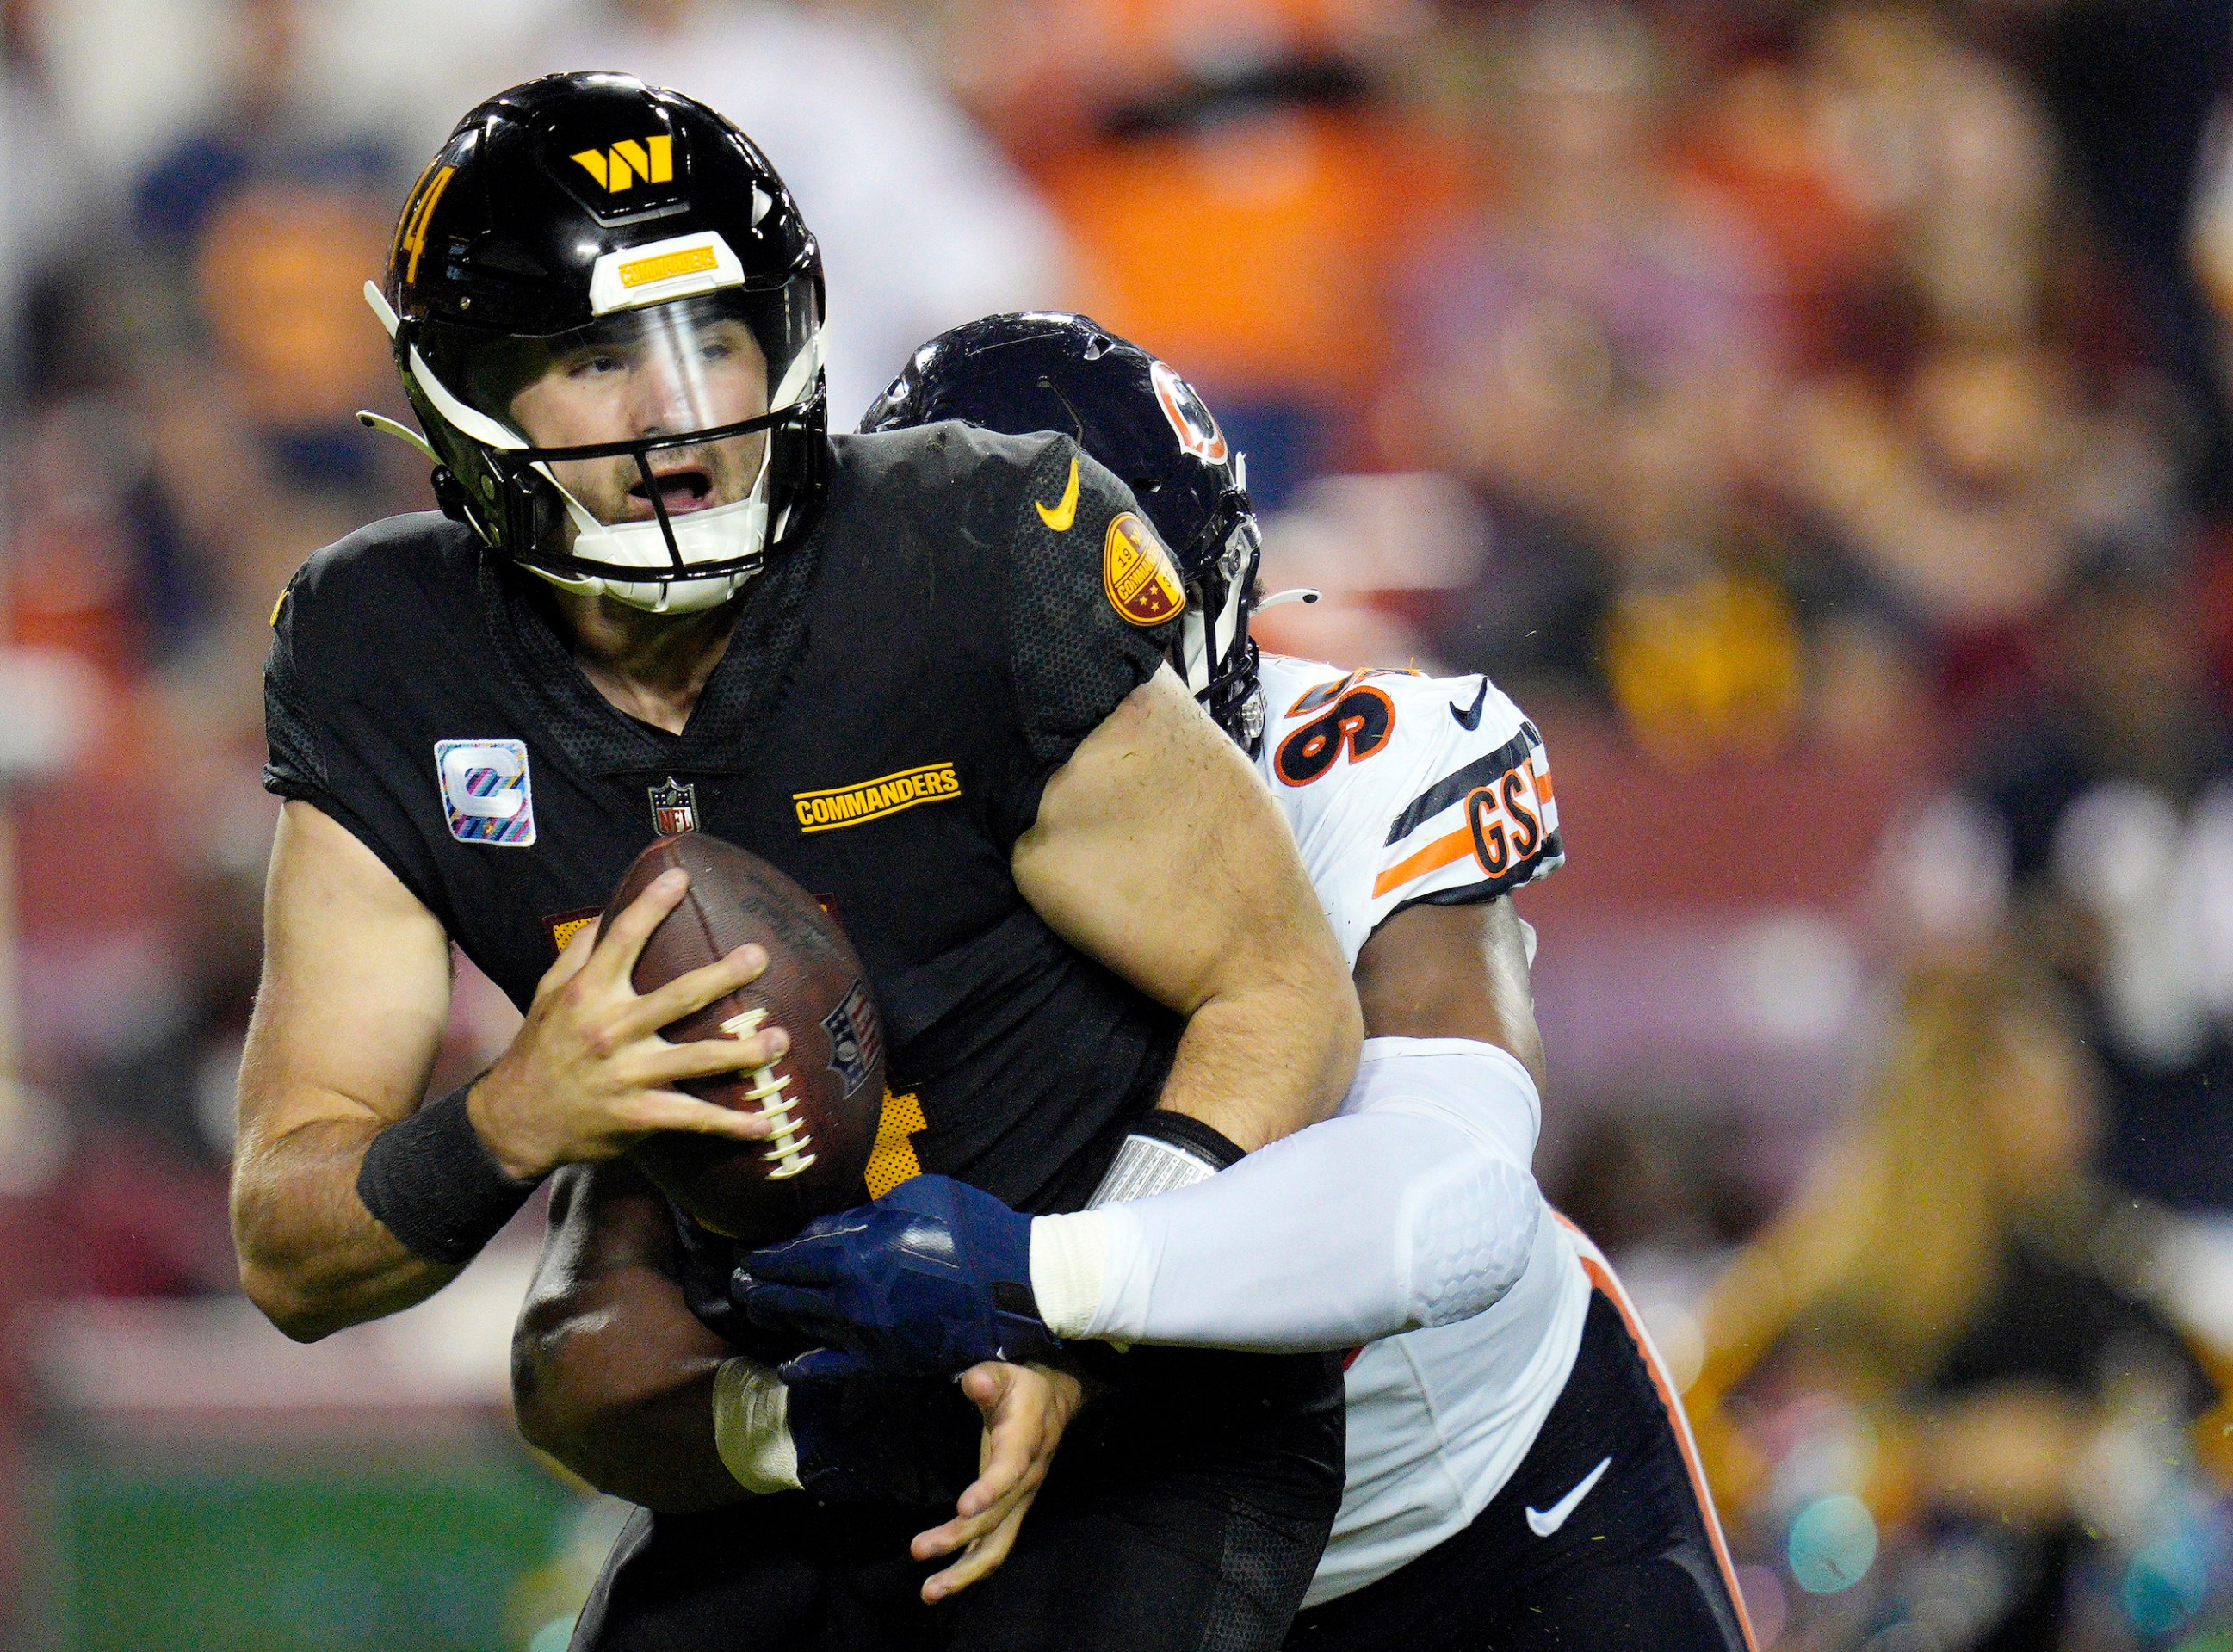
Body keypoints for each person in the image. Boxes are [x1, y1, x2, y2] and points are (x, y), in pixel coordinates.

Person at [229, 76, 1361, 1651]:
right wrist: (510, 1117)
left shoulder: (964, 545)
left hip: (1139, 1402)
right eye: (594, 355)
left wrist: (1082, 1295)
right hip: (803, 1409)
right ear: (467, 392)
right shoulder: (383, 654)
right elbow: (290, 1239)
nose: (672, 408)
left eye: (712, 336)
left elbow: (1285, 985)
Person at [524, 313, 1760, 1649]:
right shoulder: (793, 839)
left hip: (1467, 1514)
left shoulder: (1352, 767)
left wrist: (1044, 1277)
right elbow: (589, 1329)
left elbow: (1452, 1202)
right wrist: (798, 1428)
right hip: (1065, 1544)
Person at [1689, 956, 2222, 1652]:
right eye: (2051, 1085)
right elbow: (1701, 1456)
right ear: (1964, 1096)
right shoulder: (1823, 1287)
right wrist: (1932, 1461)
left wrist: (2098, 1457)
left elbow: (2211, 1439)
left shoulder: (2107, 1273)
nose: (2082, 1112)